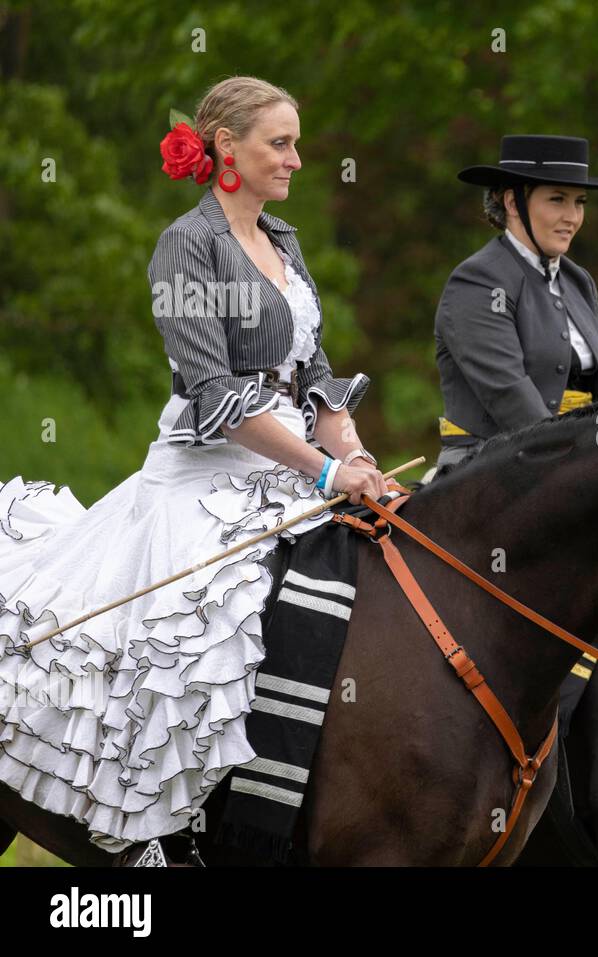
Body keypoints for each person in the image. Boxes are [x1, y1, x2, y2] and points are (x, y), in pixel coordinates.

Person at [0, 76, 385, 865]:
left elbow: (316, 376)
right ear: (226, 150)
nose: (298, 159)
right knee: (205, 633)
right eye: (280, 143)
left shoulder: (284, 240)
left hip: (293, 467)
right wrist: (321, 474)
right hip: (204, 474)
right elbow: (217, 395)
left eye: (297, 141)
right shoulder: (187, 244)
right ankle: (166, 832)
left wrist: (354, 456)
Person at [428, 134, 598, 476]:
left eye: (579, 202)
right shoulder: (478, 281)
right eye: (557, 200)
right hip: (490, 469)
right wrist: (584, 465)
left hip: (575, 464)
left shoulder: (578, 281)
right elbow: (510, 397)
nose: (572, 216)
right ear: (512, 202)